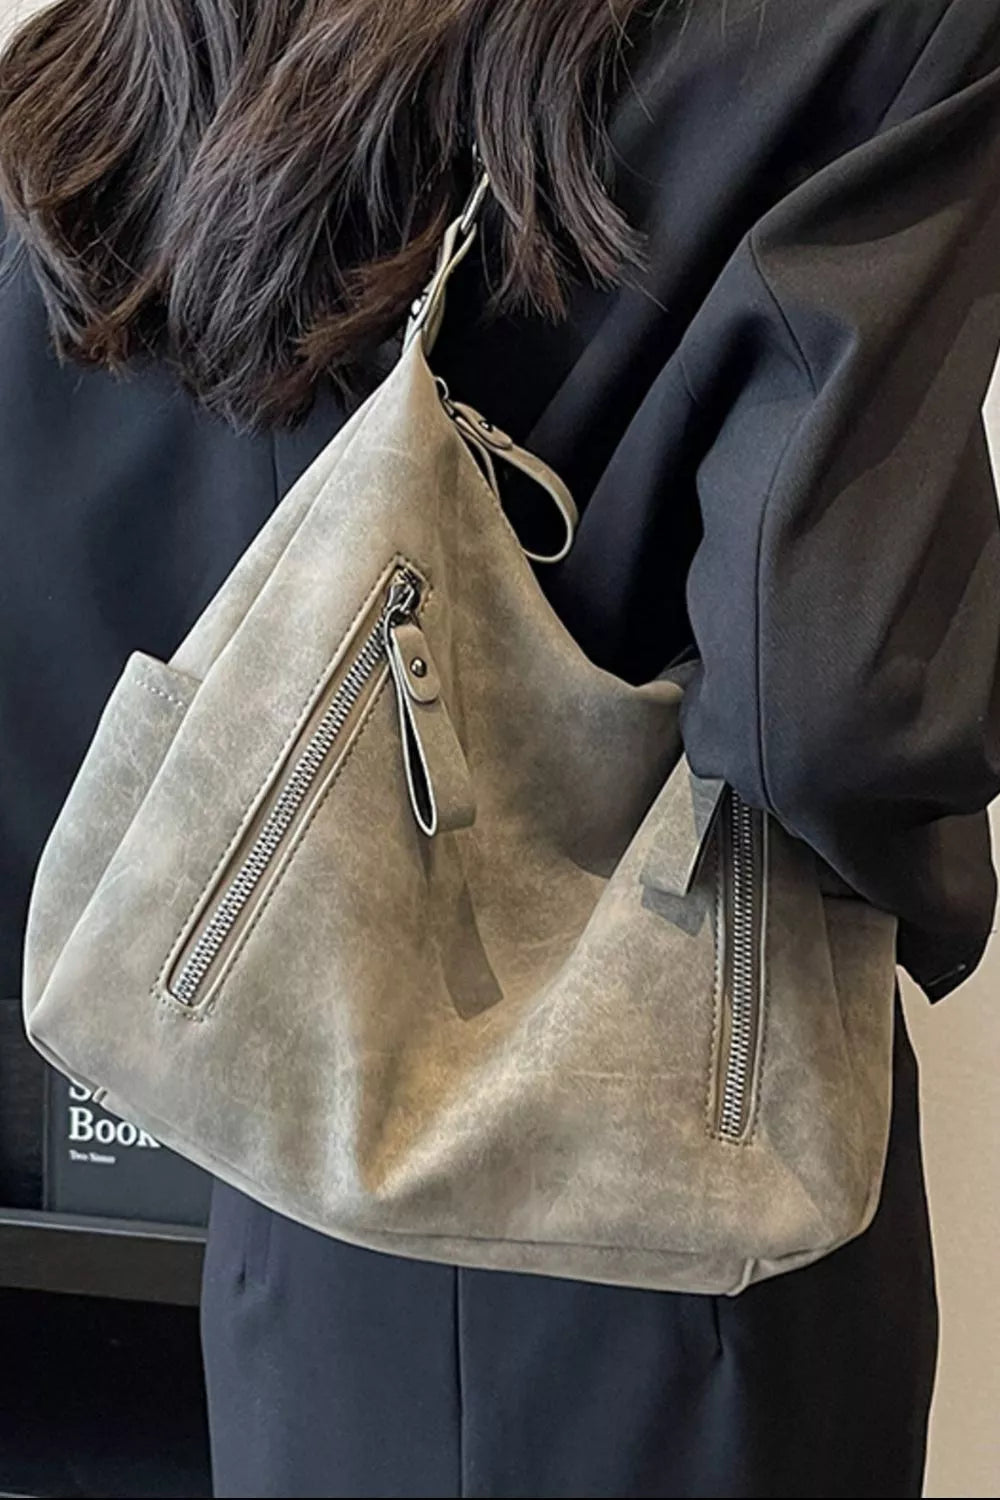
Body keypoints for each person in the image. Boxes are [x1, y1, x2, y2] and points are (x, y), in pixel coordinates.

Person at [1, 1, 999, 1495]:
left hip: (299, 1198)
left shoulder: (125, 57)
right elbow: (839, 708)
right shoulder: (871, 26)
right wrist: (935, 897)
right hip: (701, 1215)